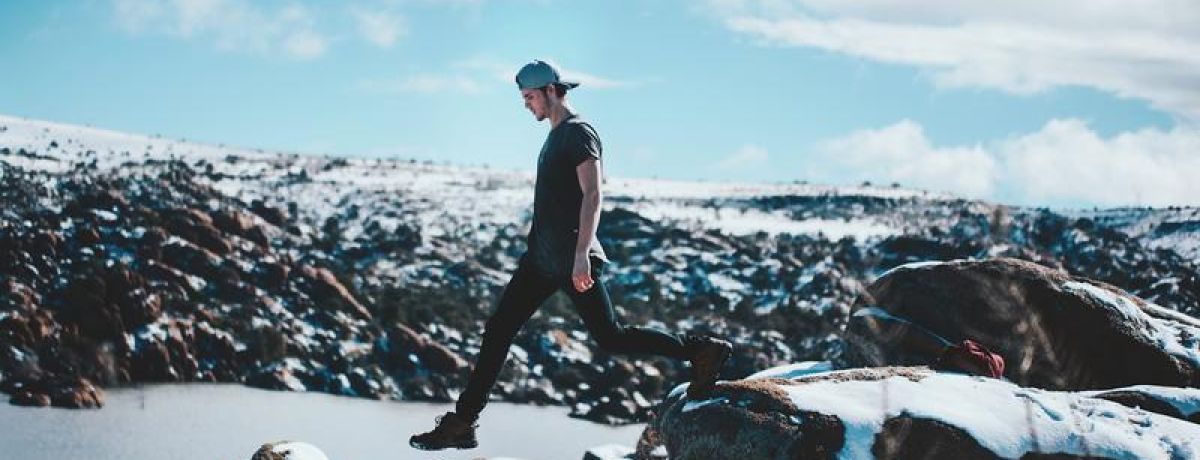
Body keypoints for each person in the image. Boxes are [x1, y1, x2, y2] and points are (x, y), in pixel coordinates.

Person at [409, 59, 732, 451]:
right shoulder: (555, 136)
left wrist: (582, 254)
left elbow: (594, 194)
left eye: (529, 97)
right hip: (541, 261)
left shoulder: (579, 133)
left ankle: (699, 349)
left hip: (569, 258)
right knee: (498, 331)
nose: (526, 105)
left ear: (550, 91)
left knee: (611, 337)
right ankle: (462, 424)